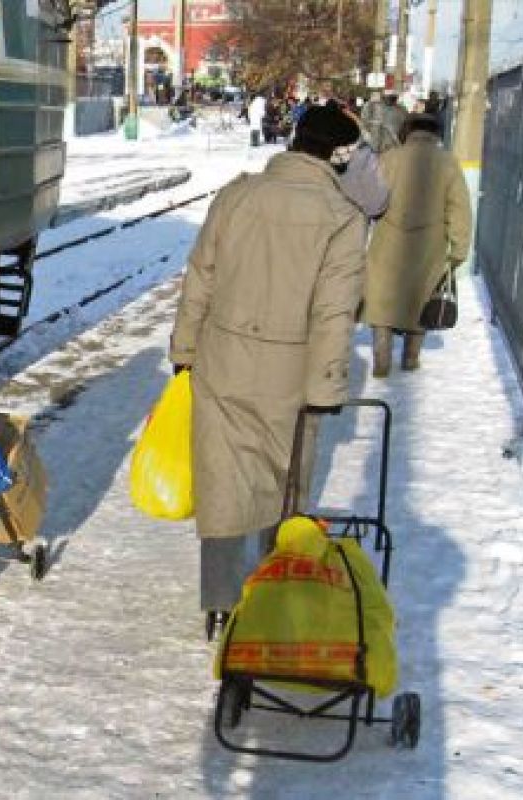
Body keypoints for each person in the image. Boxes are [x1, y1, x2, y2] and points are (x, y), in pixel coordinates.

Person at [169, 104, 367, 638]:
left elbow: (201, 278)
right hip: (291, 372)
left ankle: (219, 602)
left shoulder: (237, 196)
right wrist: (325, 388)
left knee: (223, 485)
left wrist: (184, 350)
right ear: (339, 155)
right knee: (283, 487)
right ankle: (267, 596)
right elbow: (334, 312)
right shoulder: (343, 218)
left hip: (222, 361)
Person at [361, 114, 472, 376]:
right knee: (420, 301)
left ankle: (381, 363)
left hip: (387, 240)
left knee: (381, 302)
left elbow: (371, 198)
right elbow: (459, 208)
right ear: (436, 133)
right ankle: (411, 359)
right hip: (429, 246)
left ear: (407, 131)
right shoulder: (448, 163)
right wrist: (459, 249)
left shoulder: (389, 158)